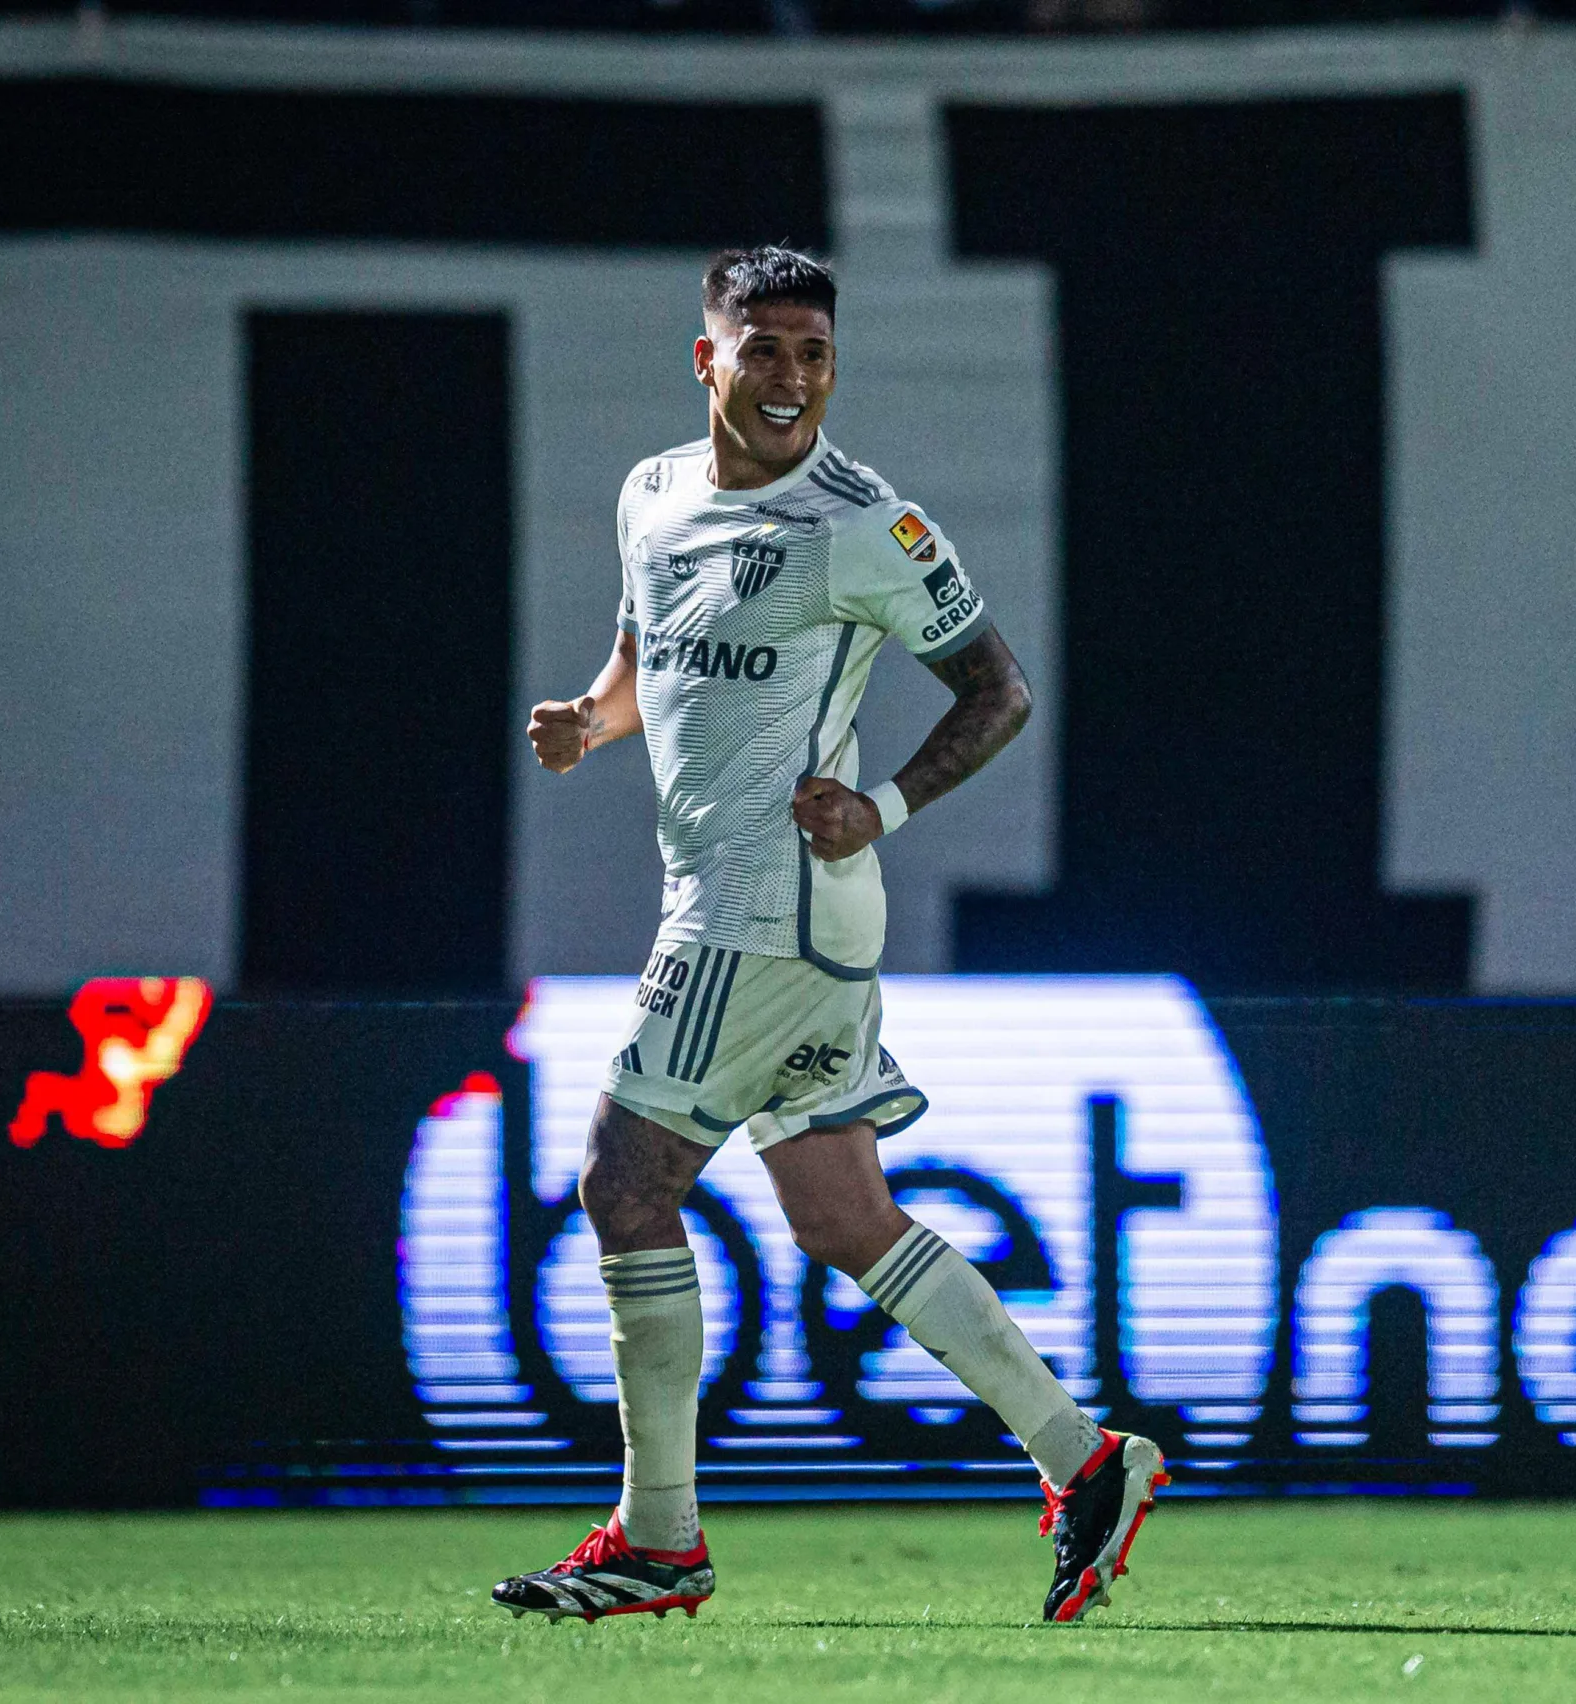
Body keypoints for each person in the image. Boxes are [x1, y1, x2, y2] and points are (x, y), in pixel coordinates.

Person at [494, 246, 1164, 1627]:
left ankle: (660, 1541)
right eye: (765, 349)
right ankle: (1085, 1457)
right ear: (708, 359)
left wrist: (891, 802)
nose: (792, 377)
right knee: (843, 1217)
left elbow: (999, 686)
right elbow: (646, 662)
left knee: (626, 1180)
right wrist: (588, 718)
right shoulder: (651, 495)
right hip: (744, 907)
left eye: (813, 351)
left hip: (773, 908)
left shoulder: (865, 522)